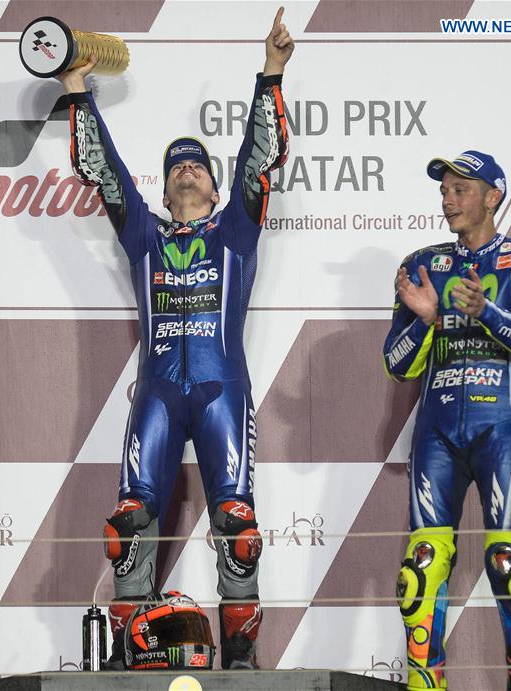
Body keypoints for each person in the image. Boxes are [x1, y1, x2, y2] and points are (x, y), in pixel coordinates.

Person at [55, 7, 293, 670]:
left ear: (216, 188)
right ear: (165, 187)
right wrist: (77, 89)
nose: (186, 171)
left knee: (238, 528)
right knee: (130, 524)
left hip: (222, 390)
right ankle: (132, 665)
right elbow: (102, 173)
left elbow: (260, 156)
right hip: (157, 393)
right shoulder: (145, 237)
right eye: (176, 167)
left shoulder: (235, 232)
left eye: (196, 166)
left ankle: (242, 668)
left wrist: (270, 73)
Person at [383, 151, 511, 690]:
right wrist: (427, 321)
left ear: (493, 196)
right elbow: (396, 366)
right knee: (420, 571)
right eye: (444, 190)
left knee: (510, 564)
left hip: (503, 430)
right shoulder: (422, 264)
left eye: (461, 189)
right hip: (436, 434)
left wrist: (487, 312)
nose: (448, 199)